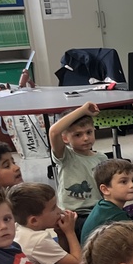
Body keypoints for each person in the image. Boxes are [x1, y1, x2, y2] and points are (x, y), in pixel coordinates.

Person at [9, 182, 81, 264]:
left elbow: (61, 255)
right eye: (53, 208)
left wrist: (61, 234)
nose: (59, 211)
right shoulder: (38, 240)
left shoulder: (19, 227)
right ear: (34, 221)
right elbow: (76, 263)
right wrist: (70, 232)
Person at [49, 100, 106, 234]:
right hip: (72, 214)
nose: (86, 138)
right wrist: (82, 110)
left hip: (97, 210)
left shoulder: (102, 158)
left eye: (89, 132)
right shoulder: (66, 156)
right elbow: (54, 132)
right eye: (78, 135)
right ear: (65, 138)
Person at [80, 158, 133, 244]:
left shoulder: (103, 206)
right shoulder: (116, 217)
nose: (132, 185)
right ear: (105, 189)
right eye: (124, 181)